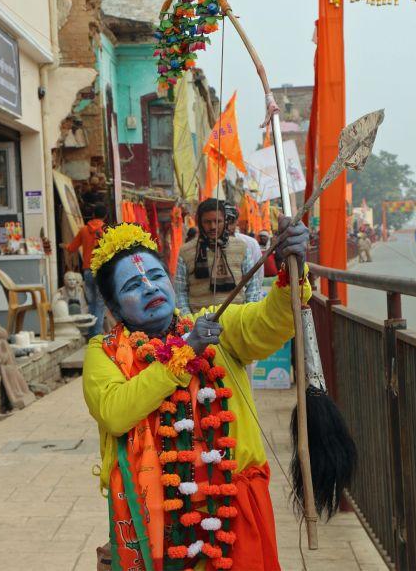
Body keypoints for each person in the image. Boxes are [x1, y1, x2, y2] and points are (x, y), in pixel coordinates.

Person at [83, 218, 310, 571]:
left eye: (156, 277)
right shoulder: (104, 352)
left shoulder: (212, 325)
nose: (149, 287)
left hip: (232, 512)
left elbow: (270, 321)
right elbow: (115, 412)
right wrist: (184, 355)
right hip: (159, 521)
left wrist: (289, 272)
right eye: (133, 285)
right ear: (113, 307)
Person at [175, 199, 260, 315]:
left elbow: (253, 288)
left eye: (217, 221)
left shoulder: (241, 247)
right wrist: (189, 321)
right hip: (200, 325)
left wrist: (248, 316)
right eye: (207, 222)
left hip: (236, 321)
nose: (213, 226)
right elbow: (180, 292)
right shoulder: (186, 251)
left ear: (225, 221)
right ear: (199, 222)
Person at [66, 203, 107, 337]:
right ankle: (96, 334)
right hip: (101, 270)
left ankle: (91, 332)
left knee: (91, 302)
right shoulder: (106, 230)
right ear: (105, 216)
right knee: (100, 303)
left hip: (88, 270)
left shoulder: (84, 230)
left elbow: (72, 248)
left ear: (93, 214)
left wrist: (64, 246)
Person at [224, 204, 264, 296]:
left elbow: (258, 275)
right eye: (225, 223)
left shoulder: (250, 243)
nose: (228, 228)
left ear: (236, 222)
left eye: (231, 223)